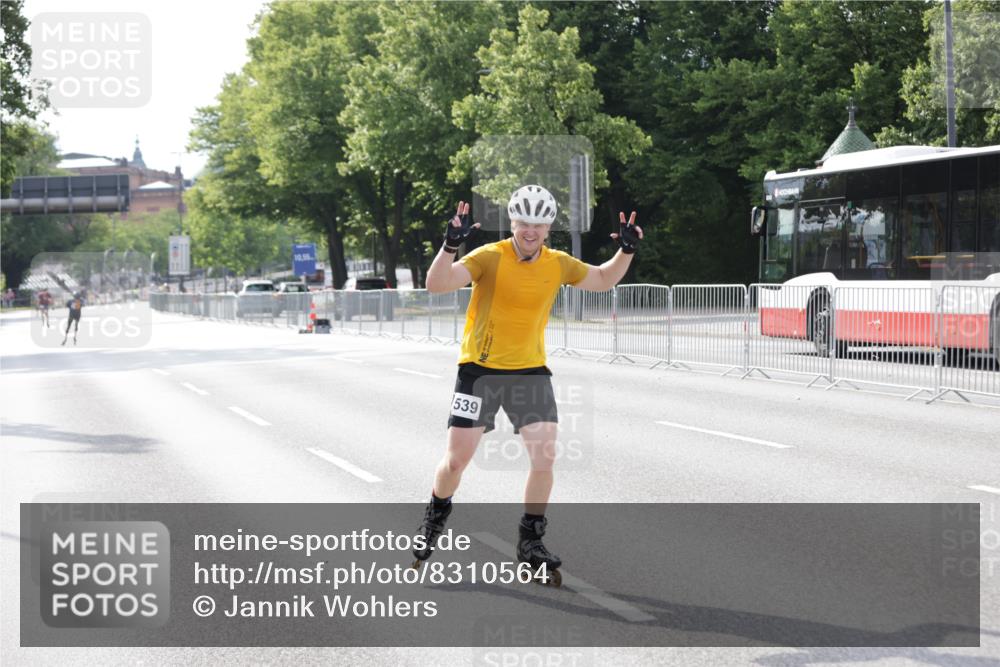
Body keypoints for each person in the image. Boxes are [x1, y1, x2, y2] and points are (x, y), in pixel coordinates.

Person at [412, 184, 643, 585]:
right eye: (522, 222)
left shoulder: (557, 263)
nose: (530, 231)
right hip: (479, 372)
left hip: (530, 371)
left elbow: (603, 279)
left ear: (549, 226)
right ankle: (434, 518)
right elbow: (437, 284)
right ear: (512, 223)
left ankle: (530, 540)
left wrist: (627, 251)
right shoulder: (489, 256)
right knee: (456, 462)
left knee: (545, 455)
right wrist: (449, 245)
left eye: (538, 223)